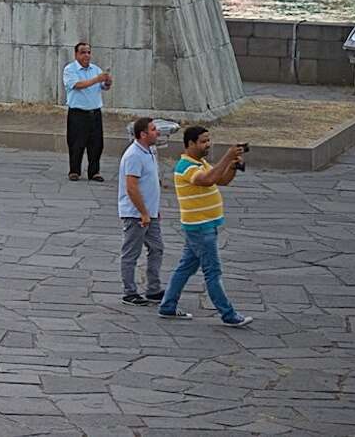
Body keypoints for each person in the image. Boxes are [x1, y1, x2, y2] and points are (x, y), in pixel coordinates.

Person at [158, 126, 251, 327]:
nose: (207, 145)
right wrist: (227, 157)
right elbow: (208, 180)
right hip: (200, 227)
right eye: (203, 141)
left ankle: (167, 305)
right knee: (213, 272)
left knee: (185, 268)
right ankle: (228, 314)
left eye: (209, 141)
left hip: (204, 225)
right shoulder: (186, 166)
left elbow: (222, 180)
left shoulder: (201, 163)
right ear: (190, 144)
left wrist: (233, 166)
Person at [117, 117, 166, 306]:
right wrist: (143, 212)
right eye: (153, 130)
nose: (158, 132)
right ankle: (129, 292)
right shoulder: (133, 155)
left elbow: (151, 183)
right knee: (131, 252)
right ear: (143, 134)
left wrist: (154, 209)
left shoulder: (150, 151)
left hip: (149, 212)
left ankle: (153, 289)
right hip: (136, 214)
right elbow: (132, 187)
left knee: (157, 248)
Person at [64, 41, 110, 181]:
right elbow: (77, 85)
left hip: (94, 112)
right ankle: (74, 170)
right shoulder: (70, 69)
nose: (87, 55)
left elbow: (104, 87)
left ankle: (94, 172)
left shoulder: (95, 69)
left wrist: (107, 82)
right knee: (76, 143)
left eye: (89, 52)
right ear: (76, 54)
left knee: (96, 144)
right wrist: (97, 79)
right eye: (83, 52)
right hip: (78, 113)